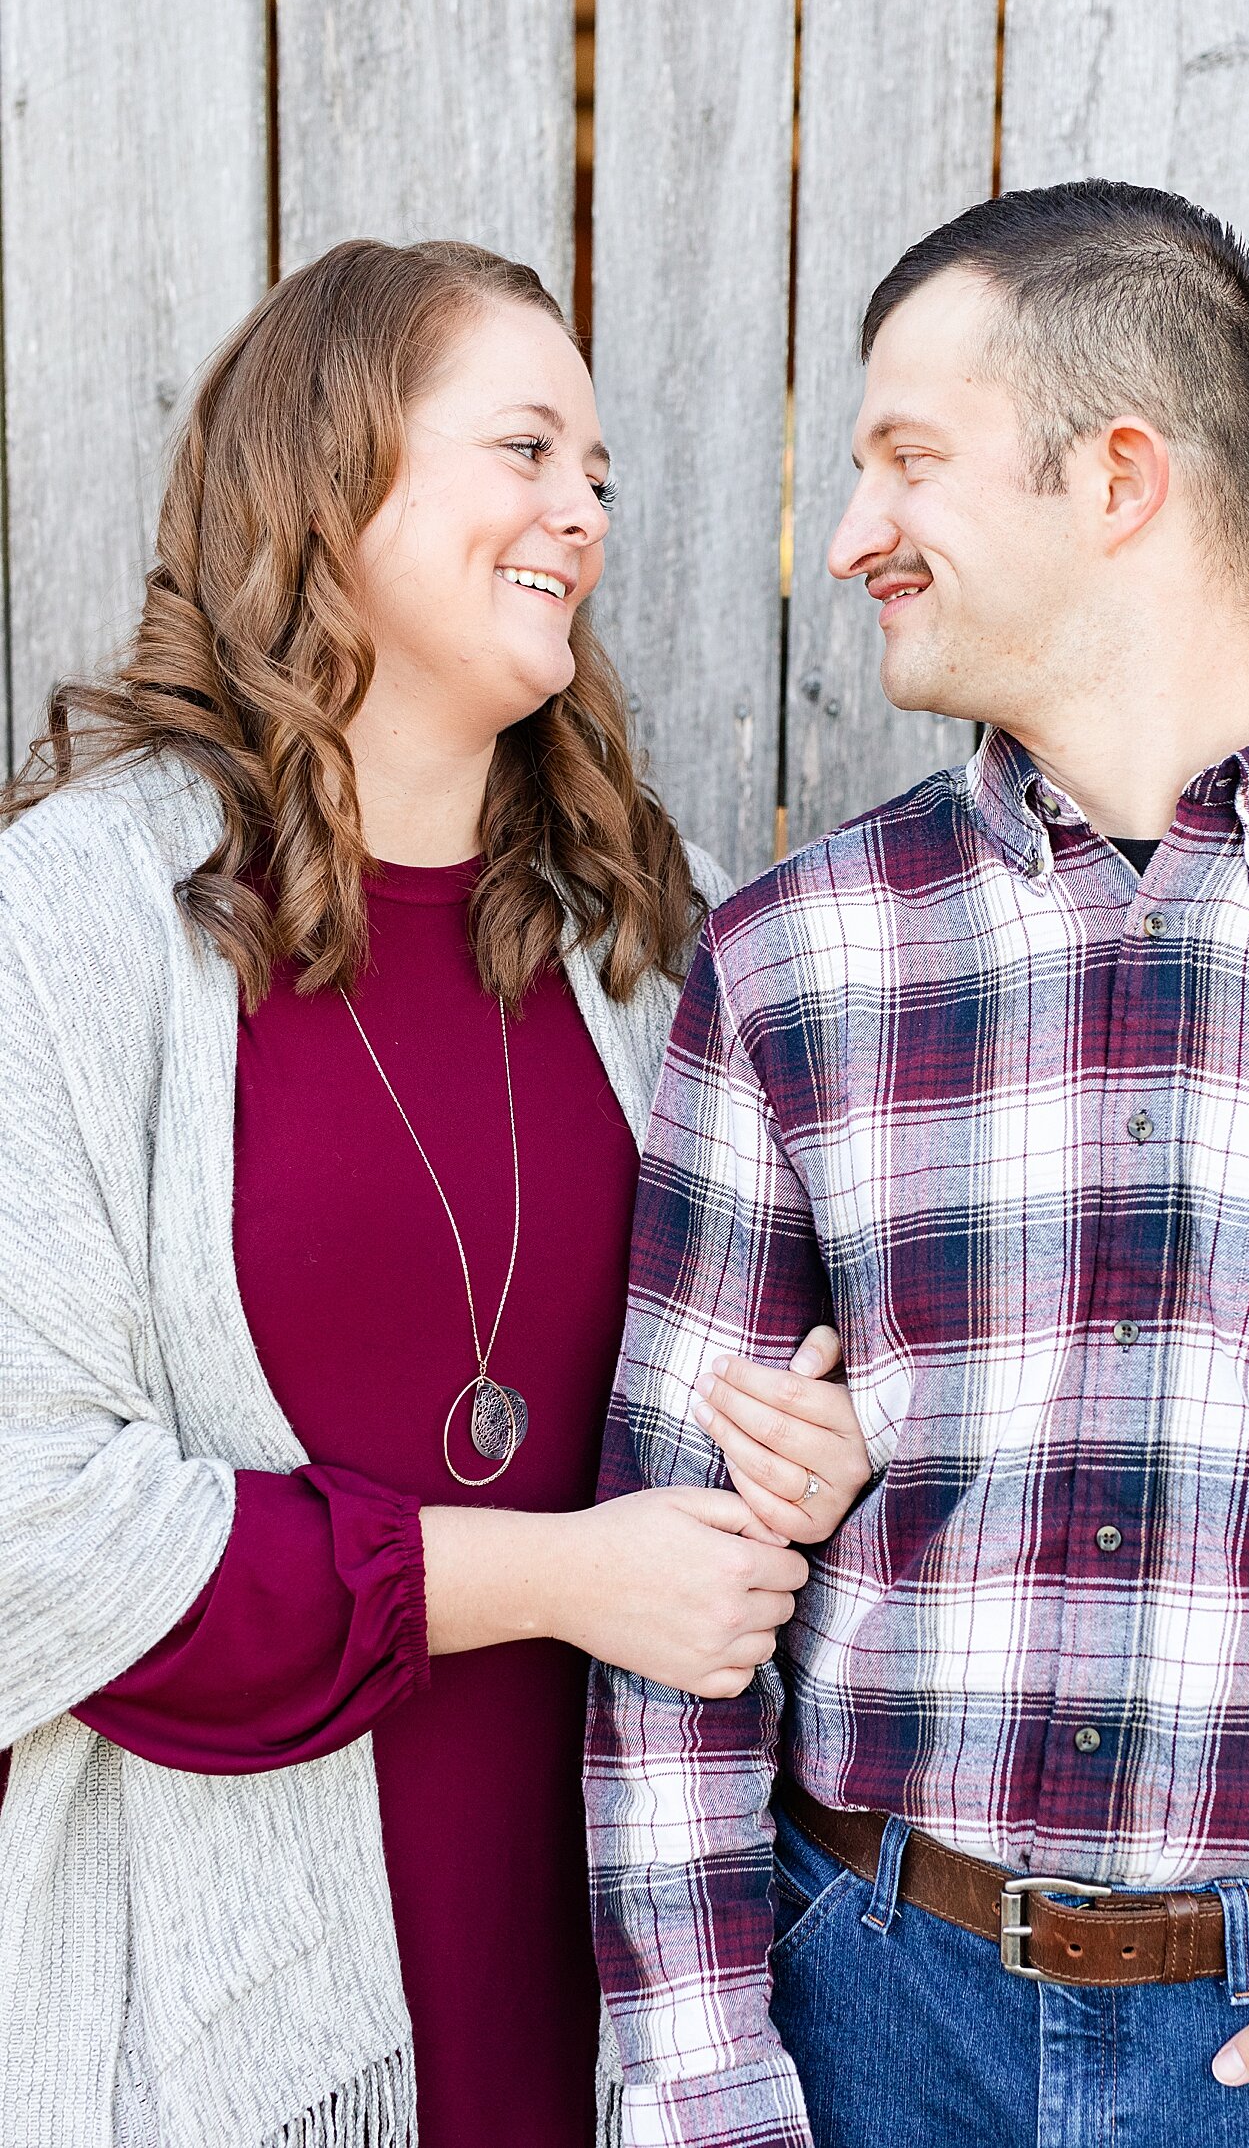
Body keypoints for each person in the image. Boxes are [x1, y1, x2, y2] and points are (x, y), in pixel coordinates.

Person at [586, 178, 1249, 2147]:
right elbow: (673, 1605)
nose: (849, 540)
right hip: (870, 2027)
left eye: (909, 462)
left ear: (1118, 479)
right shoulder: (796, 965)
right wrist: (709, 2089)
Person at [0, 238, 874, 2148]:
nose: (584, 511)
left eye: (603, 477)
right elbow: (28, 1533)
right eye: (529, 448)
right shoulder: (71, 925)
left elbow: (805, 1361)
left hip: (638, 1982)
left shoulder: (665, 938)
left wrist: (809, 1444)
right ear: (335, 476)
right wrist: (562, 1572)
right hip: (222, 2018)